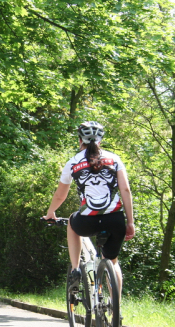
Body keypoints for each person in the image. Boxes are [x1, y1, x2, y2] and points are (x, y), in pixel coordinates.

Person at [43, 121, 135, 306]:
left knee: (71, 222)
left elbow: (61, 195)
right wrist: (130, 222)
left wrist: (51, 213)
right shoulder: (114, 159)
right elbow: (125, 190)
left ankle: (76, 269)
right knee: (113, 262)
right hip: (114, 219)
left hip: (87, 221)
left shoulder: (73, 162)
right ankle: (115, 307)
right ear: (101, 140)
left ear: (80, 140)